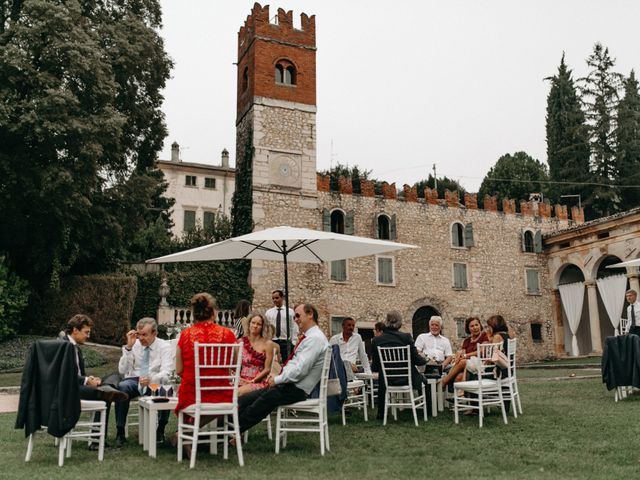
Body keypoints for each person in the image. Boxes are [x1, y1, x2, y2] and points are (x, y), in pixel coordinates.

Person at [238, 303, 328, 434]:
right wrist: (277, 377)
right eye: (294, 317)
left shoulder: (315, 339)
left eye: (298, 315)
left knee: (263, 400)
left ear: (310, 315)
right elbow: (294, 365)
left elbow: (300, 371)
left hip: (296, 389)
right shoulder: (311, 337)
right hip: (289, 385)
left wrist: (277, 380)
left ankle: (231, 431)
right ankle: (226, 430)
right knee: (246, 398)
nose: (295, 319)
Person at [174, 293, 237, 424]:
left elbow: (179, 369)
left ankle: (188, 431)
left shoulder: (185, 335)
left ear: (195, 313)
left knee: (186, 391)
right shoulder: (228, 334)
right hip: (221, 393)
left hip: (192, 393)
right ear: (214, 312)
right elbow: (235, 365)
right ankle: (193, 432)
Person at [114, 317, 173, 446]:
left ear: (155, 333)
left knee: (166, 390)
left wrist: (152, 379)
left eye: (144, 335)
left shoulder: (164, 346)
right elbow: (122, 369)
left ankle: (160, 429)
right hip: (135, 380)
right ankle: (120, 432)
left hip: (154, 380)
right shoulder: (134, 344)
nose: (140, 338)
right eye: (139, 334)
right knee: (123, 386)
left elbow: (166, 373)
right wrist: (128, 348)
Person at [59, 314, 128, 403]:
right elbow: (65, 375)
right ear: (75, 330)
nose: (88, 336)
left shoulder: (76, 348)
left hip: (79, 384)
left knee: (114, 376)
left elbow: (78, 373)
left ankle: (107, 388)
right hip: (70, 389)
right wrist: (87, 381)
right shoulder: (62, 346)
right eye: (86, 332)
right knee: (106, 395)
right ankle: (106, 391)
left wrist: (89, 378)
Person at [370, 311, 427, 420]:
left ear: (386, 323)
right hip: (406, 378)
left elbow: (375, 367)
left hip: (386, 381)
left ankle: (381, 413)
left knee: (382, 376)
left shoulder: (377, 340)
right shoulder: (406, 337)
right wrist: (425, 359)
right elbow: (417, 360)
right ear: (400, 324)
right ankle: (428, 411)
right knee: (425, 380)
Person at [440, 316, 488, 388]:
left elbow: (482, 351)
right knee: (459, 377)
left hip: (480, 363)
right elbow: (463, 353)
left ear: (480, 325)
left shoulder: (484, 336)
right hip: (467, 366)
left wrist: (466, 355)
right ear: (468, 328)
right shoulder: (467, 340)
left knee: (463, 361)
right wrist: (458, 355)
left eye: (476, 325)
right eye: (472, 326)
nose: (475, 328)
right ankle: (460, 398)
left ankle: (444, 382)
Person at [238, 313, 275, 396]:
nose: (255, 326)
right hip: (241, 380)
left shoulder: (268, 344)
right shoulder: (241, 342)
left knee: (237, 393)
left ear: (262, 327)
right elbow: (234, 365)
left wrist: (252, 381)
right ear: (249, 324)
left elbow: (267, 369)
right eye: (253, 322)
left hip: (258, 382)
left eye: (259, 324)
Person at [265, 289, 298, 359]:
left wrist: (293, 342)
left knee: (287, 362)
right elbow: (266, 328)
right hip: (273, 341)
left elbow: (294, 326)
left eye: (277, 298)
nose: (274, 300)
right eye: (273, 298)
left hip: (286, 342)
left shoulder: (290, 312)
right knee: (273, 363)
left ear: (282, 298)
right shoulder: (269, 313)